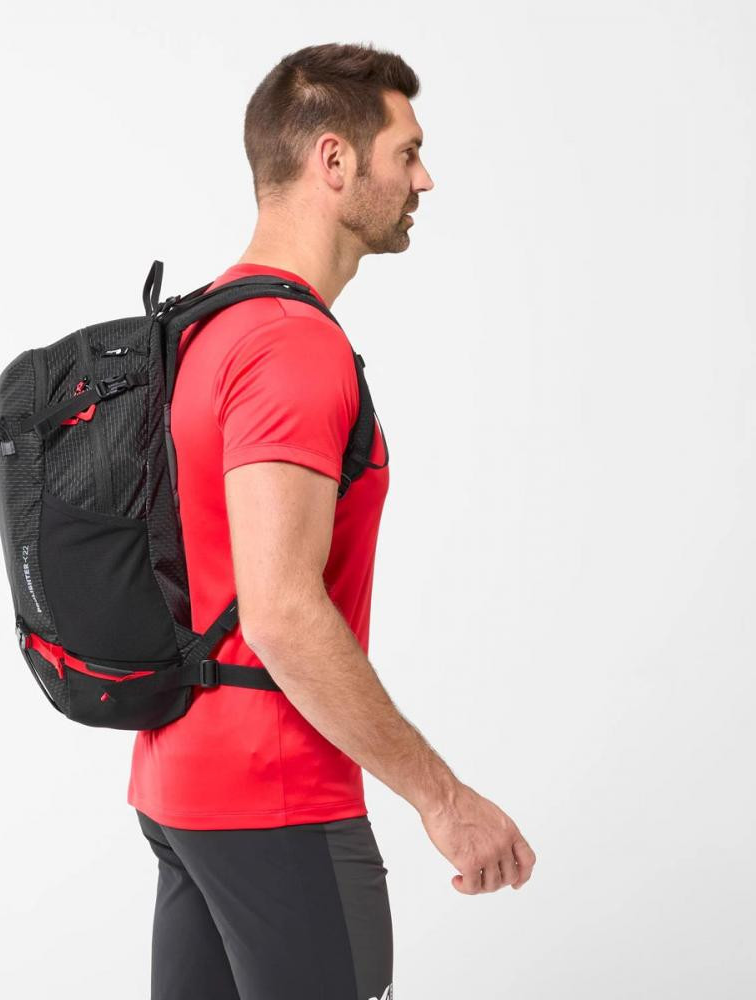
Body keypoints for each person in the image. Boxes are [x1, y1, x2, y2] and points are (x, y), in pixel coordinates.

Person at [127, 41, 536, 1000]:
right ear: (334, 159)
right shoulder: (289, 345)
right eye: (408, 151)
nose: (424, 179)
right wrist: (444, 800)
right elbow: (278, 610)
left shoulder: (201, 329)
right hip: (277, 797)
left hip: (178, 784)